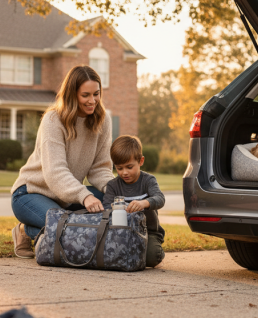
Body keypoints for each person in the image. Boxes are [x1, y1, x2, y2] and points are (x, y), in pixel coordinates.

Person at [10, 65, 114, 258]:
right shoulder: (53, 120)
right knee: (68, 229)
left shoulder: (103, 120)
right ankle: (25, 231)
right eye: (85, 95)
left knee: (111, 208)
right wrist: (84, 196)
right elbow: (55, 173)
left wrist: (116, 192)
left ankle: (58, 225)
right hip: (31, 193)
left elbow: (100, 169)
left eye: (96, 94)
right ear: (72, 95)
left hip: (66, 198)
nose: (92, 101)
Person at [102, 135, 165, 268]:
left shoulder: (148, 180)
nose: (124, 172)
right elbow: (107, 207)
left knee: (151, 259)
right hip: (120, 232)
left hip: (149, 232)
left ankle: (156, 249)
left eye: (129, 167)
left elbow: (160, 198)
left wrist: (144, 203)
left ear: (141, 161)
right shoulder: (113, 185)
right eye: (119, 168)